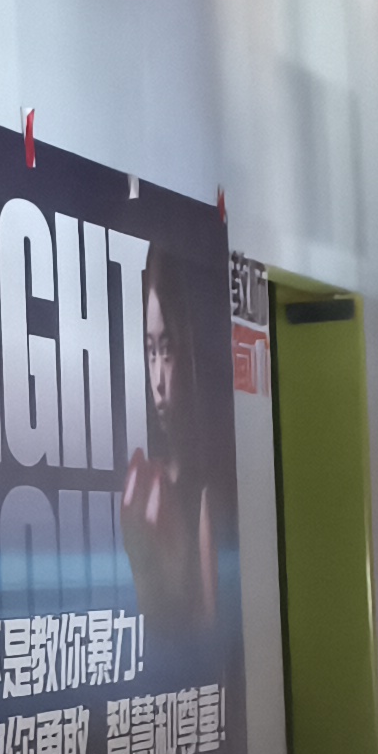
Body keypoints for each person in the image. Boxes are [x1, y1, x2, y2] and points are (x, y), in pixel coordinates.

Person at [116, 258, 223, 642]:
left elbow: (210, 645)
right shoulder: (149, 485)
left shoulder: (210, 494)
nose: (158, 380)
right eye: (150, 352)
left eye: (168, 351)